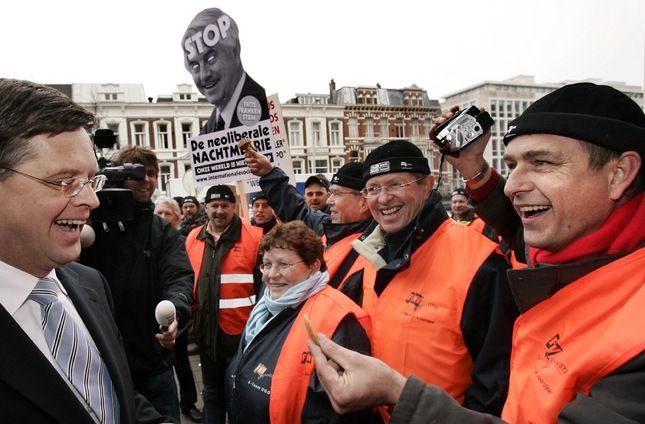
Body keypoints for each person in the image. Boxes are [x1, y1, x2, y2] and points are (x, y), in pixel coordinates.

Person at [311, 82, 645, 423]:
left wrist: (400, 395)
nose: (513, 185)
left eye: (542, 162)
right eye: (513, 165)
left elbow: (491, 381)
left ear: (619, 174)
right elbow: (517, 229)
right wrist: (473, 166)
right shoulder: (570, 253)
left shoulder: (483, 262)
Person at [0, 78, 167, 422]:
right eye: (64, 182)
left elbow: (112, 401)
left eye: (92, 180)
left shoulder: (89, 285)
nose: (91, 200)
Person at [335, 140, 517, 417]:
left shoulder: (480, 262)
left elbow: (496, 381)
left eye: (396, 184)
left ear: (428, 185)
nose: (383, 198)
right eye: (373, 189)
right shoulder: (367, 256)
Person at [82, 146, 194, 422]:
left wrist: (175, 315)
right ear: (120, 177)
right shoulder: (90, 224)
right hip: (101, 362)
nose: (148, 180)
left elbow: (179, 277)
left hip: (153, 363)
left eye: (153, 174)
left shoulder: (162, 230)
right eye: (139, 174)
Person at [226, 220, 375, 424]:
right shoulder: (267, 305)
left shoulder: (340, 320)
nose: (271, 275)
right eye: (267, 264)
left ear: (313, 266)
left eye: (283, 264)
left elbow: (338, 413)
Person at [184, 184, 264, 424]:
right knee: (212, 395)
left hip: (243, 336)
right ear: (206, 208)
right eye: (214, 206)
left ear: (234, 207)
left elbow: (265, 289)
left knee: (240, 396)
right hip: (207, 337)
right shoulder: (193, 237)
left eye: (225, 206)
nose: (219, 211)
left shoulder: (255, 237)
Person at [244, 149, 374, 288]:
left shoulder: (377, 247)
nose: (329, 201)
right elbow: (297, 210)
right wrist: (269, 174)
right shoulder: (326, 227)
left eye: (337, 194)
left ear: (364, 201)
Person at [153, 196, 203, 423]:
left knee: (182, 363)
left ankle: (188, 402)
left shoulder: (184, 241)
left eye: (167, 214)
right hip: (152, 317)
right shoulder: (149, 240)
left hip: (178, 313)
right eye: (159, 213)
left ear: (177, 217)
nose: (162, 218)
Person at [181, 7, 269, 134]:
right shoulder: (205, 134)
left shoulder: (267, 110)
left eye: (211, 58)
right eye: (195, 66)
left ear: (234, 51)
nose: (204, 75)